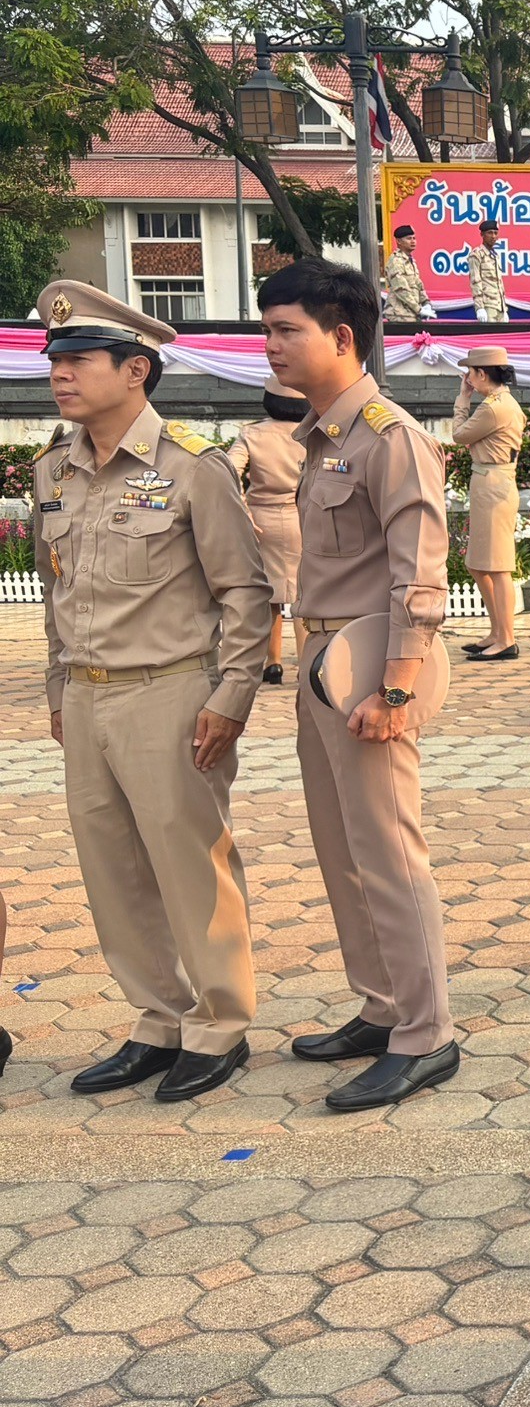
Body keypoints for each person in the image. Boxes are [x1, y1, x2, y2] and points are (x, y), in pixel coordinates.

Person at [35, 281, 271, 1102]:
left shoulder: (192, 469)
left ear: (136, 369)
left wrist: (231, 696)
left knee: (189, 863)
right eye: (54, 360)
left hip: (171, 693)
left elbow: (246, 593)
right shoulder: (52, 472)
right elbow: (53, 589)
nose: (60, 374)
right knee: (112, 868)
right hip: (90, 698)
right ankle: (156, 1018)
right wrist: (58, 686)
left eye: (77, 360)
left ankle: (220, 1023)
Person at [261, 257, 460, 1112]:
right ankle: (380, 1008)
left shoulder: (390, 437)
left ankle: (426, 1035)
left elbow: (420, 576)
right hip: (322, 670)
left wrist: (398, 691)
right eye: (266, 331)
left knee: (389, 854)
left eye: (285, 331)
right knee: (342, 851)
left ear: (342, 337)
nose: (270, 347)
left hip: (371, 676)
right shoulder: (322, 439)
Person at [227, 377, 309, 685]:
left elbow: (228, 470)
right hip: (303, 517)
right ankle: (306, 663)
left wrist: (242, 508)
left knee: (269, 595)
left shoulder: (252, 433)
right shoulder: (311, 433)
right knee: (304, 596)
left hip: (260, 519)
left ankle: (272, 662)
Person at [451, 345, 527, 661]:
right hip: (489, 484)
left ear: (482, 374)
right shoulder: (500, 403)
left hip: (494, 485)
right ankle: (498, 632)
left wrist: (463, 399)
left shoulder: (493, 408)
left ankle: (506, 638)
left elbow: (458, 434)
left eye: (471, 373)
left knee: (497, 568)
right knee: (479, 564)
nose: (468, 379)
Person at [383, 224, 430, 326]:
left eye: (414, 238)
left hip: (412, 314)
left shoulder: (410, 261)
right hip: (399, 315)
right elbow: (401, 289)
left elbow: (418, 285)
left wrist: (426, 303)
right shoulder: (396, 261)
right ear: (399, 241)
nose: (413, 241)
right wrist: (419, 309)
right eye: (409, 238)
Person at [469, 220, 508, 322]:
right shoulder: (477, 255)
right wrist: (480, 308)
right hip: (488, 306)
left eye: (495, 233)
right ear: (482, 234)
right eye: (490, 233)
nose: (493, 236)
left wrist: (504, 308)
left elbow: (500, 284)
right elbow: (475, 282)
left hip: (500, 307)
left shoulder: (495, 256)